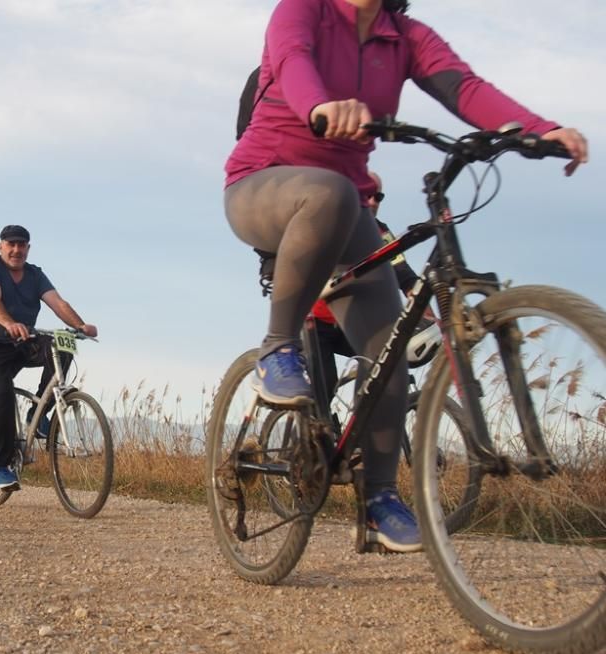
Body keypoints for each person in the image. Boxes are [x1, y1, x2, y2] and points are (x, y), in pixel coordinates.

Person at [223, 0, 587, 553]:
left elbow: (464, 87)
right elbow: (294, 62)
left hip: (346, 211)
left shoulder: (406, 37)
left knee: (387, 350)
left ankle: (378, 498)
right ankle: (278, 347)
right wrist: (320, 105)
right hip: (264, 185)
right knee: (331, 191)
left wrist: (540, 131)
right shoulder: (303, 10)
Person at [0, 225, 98, 490]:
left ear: (28, 248)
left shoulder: (35, 275)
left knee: (63, 347)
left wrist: (80, 325)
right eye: (11, 244)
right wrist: (9, 323)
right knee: (2, 392)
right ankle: (1, 467)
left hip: (23, 342)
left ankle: (37, 416)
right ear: (0, 246)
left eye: (22, 245)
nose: (16, 250)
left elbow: (58, 303)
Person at [307, 171, 419, 395]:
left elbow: (401, 269)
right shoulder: (329, 221)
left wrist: (423, 307)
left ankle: (365, 414)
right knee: (325, 385)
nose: (372, 201)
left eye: (378, 197)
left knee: (384, 367)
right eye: (366, 193)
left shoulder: (381, 231)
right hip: (316, 322)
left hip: (352, 324)